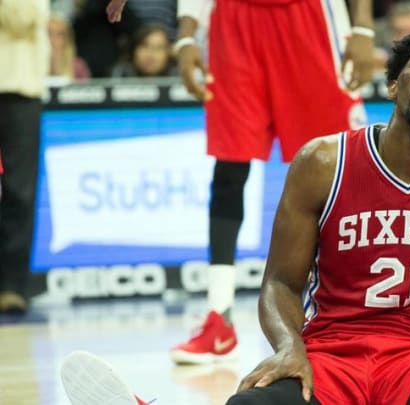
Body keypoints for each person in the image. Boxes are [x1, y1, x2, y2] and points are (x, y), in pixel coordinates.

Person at [61, 21, 410, 405]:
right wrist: (287, 345)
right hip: (333, 350)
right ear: (393, 84)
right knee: (250, 402)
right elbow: (279, 283)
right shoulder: (324, 162)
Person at [106, 0, 375, 364]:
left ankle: (357, 315)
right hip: (234, 21)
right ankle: (220, 318)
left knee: (338, 165)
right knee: (229, 167)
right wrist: (186, 36)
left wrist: (362, 28)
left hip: (308, 16)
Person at [0, 0, 49, 314]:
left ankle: (11, 286)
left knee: (19, 192)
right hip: (9, 88)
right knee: (17, 192)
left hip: (23, 91)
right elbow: (21, 17)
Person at [111, 24, 175, 77]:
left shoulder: (180, 78)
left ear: (169, 52)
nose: (150, 54)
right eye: (144, 46)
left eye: (158, 48)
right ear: (133, 50)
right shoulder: (119, 75)